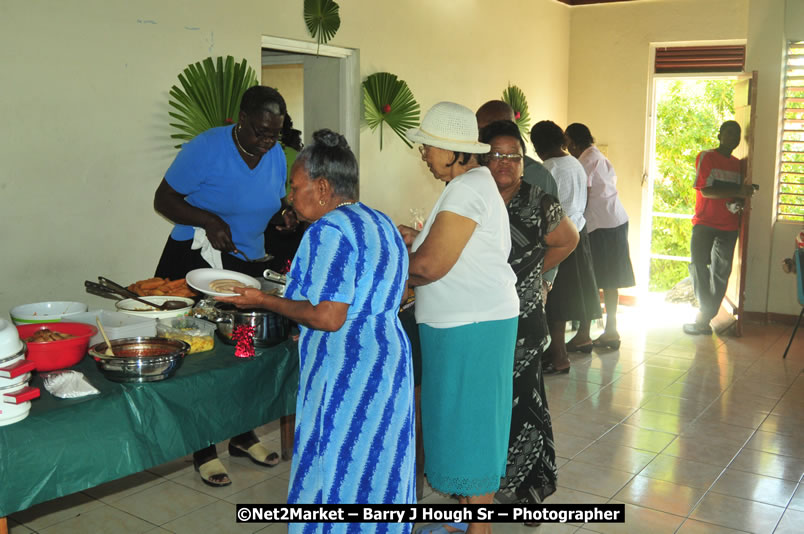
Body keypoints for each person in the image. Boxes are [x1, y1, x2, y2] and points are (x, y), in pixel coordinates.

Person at [219, 129, 415, 534]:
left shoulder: (329, 231)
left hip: (349, 368)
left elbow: (328, 317)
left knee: (338, 467)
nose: (290, 198)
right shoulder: (380, 221)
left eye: (295, 187)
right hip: (390, 359)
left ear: (323, 187)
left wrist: (263, 301)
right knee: (379, 465)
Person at [153, 85, 295, 487]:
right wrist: (208, 220)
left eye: (275, 133)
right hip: (197, 263)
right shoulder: (207, 147)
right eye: (261, 132)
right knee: (207, 357)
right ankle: (204, 446)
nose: (268, 141)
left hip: (243, 264)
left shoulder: (276, 157)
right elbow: (163, 199)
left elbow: (269, 203)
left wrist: (283, 216)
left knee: (243, 351)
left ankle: (242, 434)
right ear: (241, 119)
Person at [399, 102, 519, 534]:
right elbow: (446, 249)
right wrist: (416, 240)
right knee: (460, 421)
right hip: (464, 323)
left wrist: (386, 262)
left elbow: (430, 266)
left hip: (473, 324)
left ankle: (479, 529)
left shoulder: (468, 188)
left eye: (428, 147)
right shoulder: (468, 185)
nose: (424, 155)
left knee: (472, 423)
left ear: (451, 149)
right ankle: (469, 523)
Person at [479, 120, 578, 509]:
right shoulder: (473, 198)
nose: (504, 162)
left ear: (524, 162)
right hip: (482, 316)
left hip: (523, 317)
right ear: (483, 157)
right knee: (488, 399)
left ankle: (531, 488)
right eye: (496, 155)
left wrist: (532, 271)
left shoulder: (539, 201)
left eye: (513, 156)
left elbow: (568, 240)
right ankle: (485, 481)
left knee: (525, 400)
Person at [530, 120, 601, 373]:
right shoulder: (575, 162)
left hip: (559, 237)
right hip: (577, 231)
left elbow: (544, 206)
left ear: (537, 147)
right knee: (572, 292)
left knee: (556, 298)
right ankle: (561, 348)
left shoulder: (547, 169)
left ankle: (559, 355)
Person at [565, 123, 635, 349]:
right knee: (610, 280)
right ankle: (611, 331)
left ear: (574, 144)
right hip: (616, 220)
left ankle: (583, 334)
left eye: (568, 145)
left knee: (590, 279)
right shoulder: (598, 157)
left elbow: (581, 197)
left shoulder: (584, 162)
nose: (567, 150)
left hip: (599, 227)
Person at [683, 120, 755, 335]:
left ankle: (703, 320)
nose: (733, 137)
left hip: (729, 226)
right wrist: (740, 192)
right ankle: (706, 312)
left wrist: (739, 199)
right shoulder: (706, 157)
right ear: (719, 135)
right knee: (697, 265)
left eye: (737, 134)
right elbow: (706, 191)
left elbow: (738, 195)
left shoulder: (738, 164)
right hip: (704, 222)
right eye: (729, 132)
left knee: (721, 273)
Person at [476, 100, 558, 198]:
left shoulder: (536, 175)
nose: (480, 138)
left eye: (488, 132)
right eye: (478, 131)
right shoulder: (473, 168)